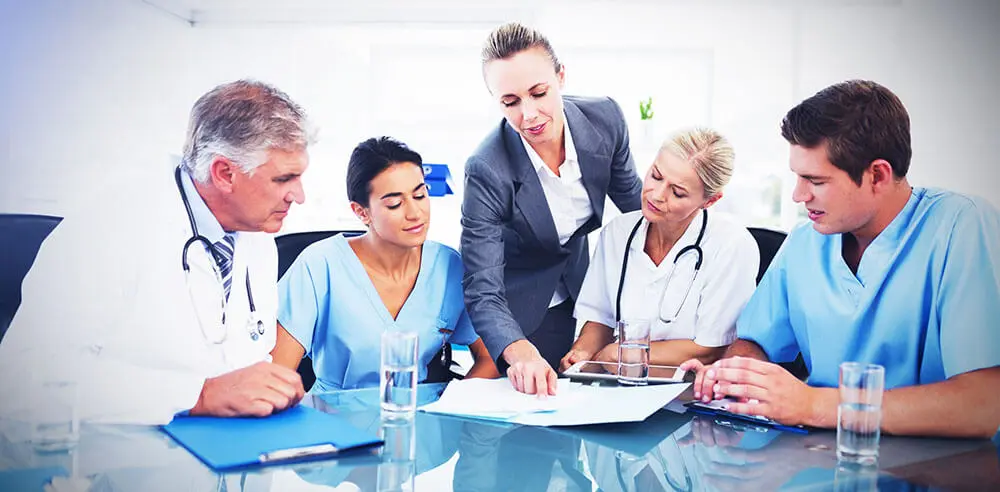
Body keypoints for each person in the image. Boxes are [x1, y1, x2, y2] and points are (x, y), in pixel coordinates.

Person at [680, 80, 1000, 438]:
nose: (799, 196)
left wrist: (814, 405)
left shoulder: (962, 226)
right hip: (820, 456)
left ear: (877, 175)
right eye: (797, 177)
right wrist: (737, 375)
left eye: (815, 180)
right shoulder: (804, 243)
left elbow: (984, 405)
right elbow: (756, 343)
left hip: (941, 466)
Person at [0, 80, 311, 425]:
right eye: (284, 179)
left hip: (221, 450)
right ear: (224, 173)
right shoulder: (110, 226)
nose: (298, 196)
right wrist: (200, 394)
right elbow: (23, 383)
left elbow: (241, 357)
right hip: (108, 463)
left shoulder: (257, 233)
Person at [461, 22, 643, 396]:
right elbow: (483, 288)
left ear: (560, 77)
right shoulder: (486, 168)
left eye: (539, 93)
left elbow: (638, 213)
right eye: (510, 102)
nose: (528, 114)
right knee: (533, 421)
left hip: (583, 286)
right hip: (520, 304)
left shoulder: (605, 119)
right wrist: (517, 348)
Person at [271, 137, 498, 391]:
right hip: (334, 417)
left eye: (420, 195)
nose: (415, 213)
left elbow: (489, 357)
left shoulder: (449, 266)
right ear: (361, 212)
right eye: (395, 203)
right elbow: (275, 376)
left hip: (422, 417)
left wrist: (454, 405)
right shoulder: (319, 266)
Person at [560, 128, 758, 371]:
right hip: (620, 382)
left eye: (677, 192)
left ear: (710, 201)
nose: (657, 194)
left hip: (689, 392)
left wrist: (620, 354)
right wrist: (582, 352)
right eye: (655, 175)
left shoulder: (732, 244)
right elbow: (600, 319)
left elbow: (710, 349)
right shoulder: (617, 232)